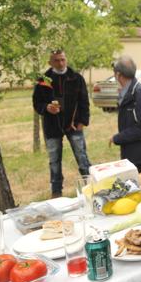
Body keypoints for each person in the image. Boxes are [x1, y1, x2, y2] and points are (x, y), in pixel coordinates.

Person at [33, 49, 91, 198]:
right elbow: (36, 102)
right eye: (57, 60)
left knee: (82, 156)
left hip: (73, 124)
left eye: (63, 59)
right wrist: (46, 107)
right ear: (50, 62)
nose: (60, 63)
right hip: (52, 126)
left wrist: (82, 122)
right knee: (54, 160)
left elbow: (84, 101)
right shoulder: (43, 80)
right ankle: (56, 192)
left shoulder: (76, 78)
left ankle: (91, 186)